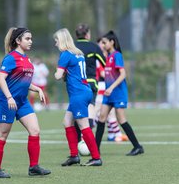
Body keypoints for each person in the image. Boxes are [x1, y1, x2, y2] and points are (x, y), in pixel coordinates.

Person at [0, 27, 51, 178]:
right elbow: (0, 78)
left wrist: (37, 89)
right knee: (2, 135)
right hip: (7, 102)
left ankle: (34, 167)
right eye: (27, 39)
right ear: (18, 41)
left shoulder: (27, 59)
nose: (31, 41)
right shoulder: (11, 58)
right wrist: (10, 97)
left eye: (31, 38)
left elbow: (23, 81)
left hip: (22, 102)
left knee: (35, 130)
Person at [53, 28, 102, 167]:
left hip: (78, 94)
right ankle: (74, 156)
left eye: (56, 40)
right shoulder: (78, 53)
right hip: (85, 91)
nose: (55, 43)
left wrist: (58, 73)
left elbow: (58, 76)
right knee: (67, 122)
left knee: (83, 126)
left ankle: (96, 157)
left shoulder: (65, 54)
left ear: (62, 40)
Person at [95, 30, 144, 156]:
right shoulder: (108, 57)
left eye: (105, 42)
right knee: (101, 118)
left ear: (112, 42)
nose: (103, 45)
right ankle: (95, 150)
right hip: (108, 94)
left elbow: (123, 74)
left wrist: (111, 88)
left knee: (121, 119)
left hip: (118, 93)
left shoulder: (117, 55)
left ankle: (137, 147)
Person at [95, 38, 128, 142]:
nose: (103, 45)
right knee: (100, 115)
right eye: (101, 43)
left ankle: (112, 135)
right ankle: (117, 133)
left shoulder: (111, 56)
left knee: (108, 114)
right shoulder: (99, 58)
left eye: (104, 43)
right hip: (101, 87)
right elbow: (102, 73)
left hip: (108, 87)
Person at [74, 23, 106, 129]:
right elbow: (105, 63)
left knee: (77, 110)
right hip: (90, 82)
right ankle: (87, 138)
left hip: (75, 83)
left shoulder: (71, 47)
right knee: (91, 107)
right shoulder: (93, 47)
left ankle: (79, 140)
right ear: (87, 34)